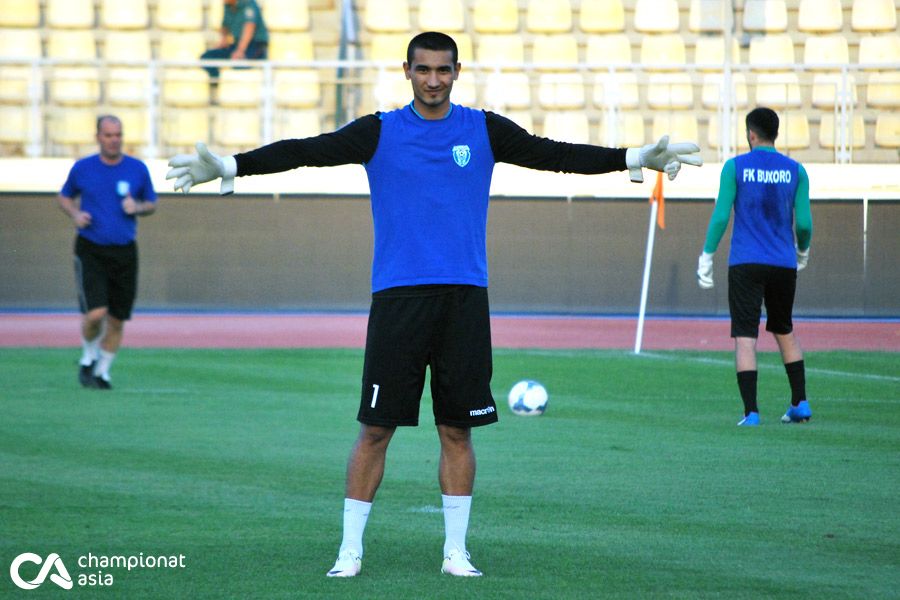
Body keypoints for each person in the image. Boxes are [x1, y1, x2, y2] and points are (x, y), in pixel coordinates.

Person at [166, 32, 702, 577]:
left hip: (464, 298)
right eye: (423, 70)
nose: (433, 80)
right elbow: (308, 150)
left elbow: (553, 155)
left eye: (443, 70)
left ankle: (455, 552)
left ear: (457, 71)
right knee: (375, 429)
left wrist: (633, 157)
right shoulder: (380, 131)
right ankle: (350, 550)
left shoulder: (483, 129)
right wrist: (233, 166)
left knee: (457, 429)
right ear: (407, 71)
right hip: (399, 298)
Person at [696, 107, 813, 427]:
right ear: (776, 133)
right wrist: (802, 250)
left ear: (750, 134)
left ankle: (751, 412)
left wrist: (707, 254)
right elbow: (803, 222)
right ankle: (800, 402)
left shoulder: (735, 167)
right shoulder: (796, 170)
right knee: (784, 328)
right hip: (782, 263)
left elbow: (721, 215)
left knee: (746, 335)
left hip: (746, 262)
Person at [57, 115, 157, 390]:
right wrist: (76, 214)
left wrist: (136, 208)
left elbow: (151, 203)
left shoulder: (137, 168)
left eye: (118, 135)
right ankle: (88, 355)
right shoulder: (83, 168)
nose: (114, 140)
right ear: (98, 136)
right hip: (91, 248)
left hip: (125, 250)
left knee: (117, 317)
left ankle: (102, 372)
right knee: (96, 314)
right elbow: (64, 196)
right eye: (108, 135)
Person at [200, 0, 269, 79]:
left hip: (255, 45)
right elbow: (225, 26)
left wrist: (240, 50)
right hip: (237, 44)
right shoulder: (227, 6)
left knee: (239, 65)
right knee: (207, 57)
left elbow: (249, 27)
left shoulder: (248, 3)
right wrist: (223, 41)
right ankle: (217, 82)